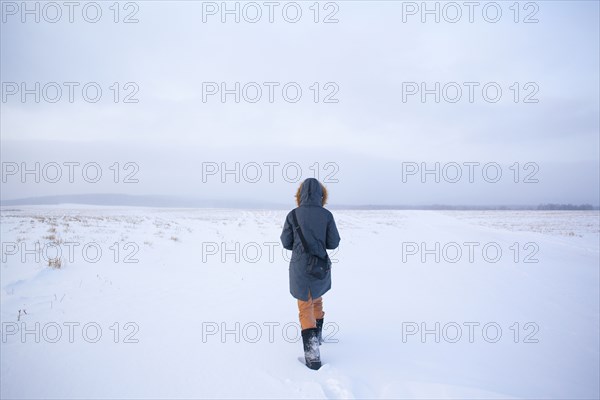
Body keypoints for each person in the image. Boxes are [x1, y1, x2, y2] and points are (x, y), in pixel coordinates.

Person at [280, 178, 341, 370]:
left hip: (300, 268)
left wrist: (299, 247)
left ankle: (313, 358)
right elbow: (333, 243)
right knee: (317, 298)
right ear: (322, 195)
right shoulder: (327, 215)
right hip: (320, 266)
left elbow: (285, 242)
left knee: (305, 307)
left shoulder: (293, 215)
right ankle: (318, 336)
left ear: (300, 195)